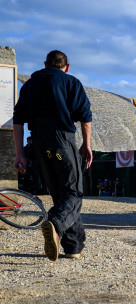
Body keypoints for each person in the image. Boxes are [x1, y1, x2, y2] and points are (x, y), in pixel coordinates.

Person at [12, 50, 92, 261]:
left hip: (39, 143)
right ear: (66, 67)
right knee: (73, 193)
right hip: (62, 141)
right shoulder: (71, 82)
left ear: (45, 65)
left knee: (61, 194)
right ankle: (55, 225)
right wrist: (87, 145)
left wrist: (20, 153)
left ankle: (73, 248)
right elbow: (85, 117)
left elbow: (18, 121)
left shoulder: (30, 85)